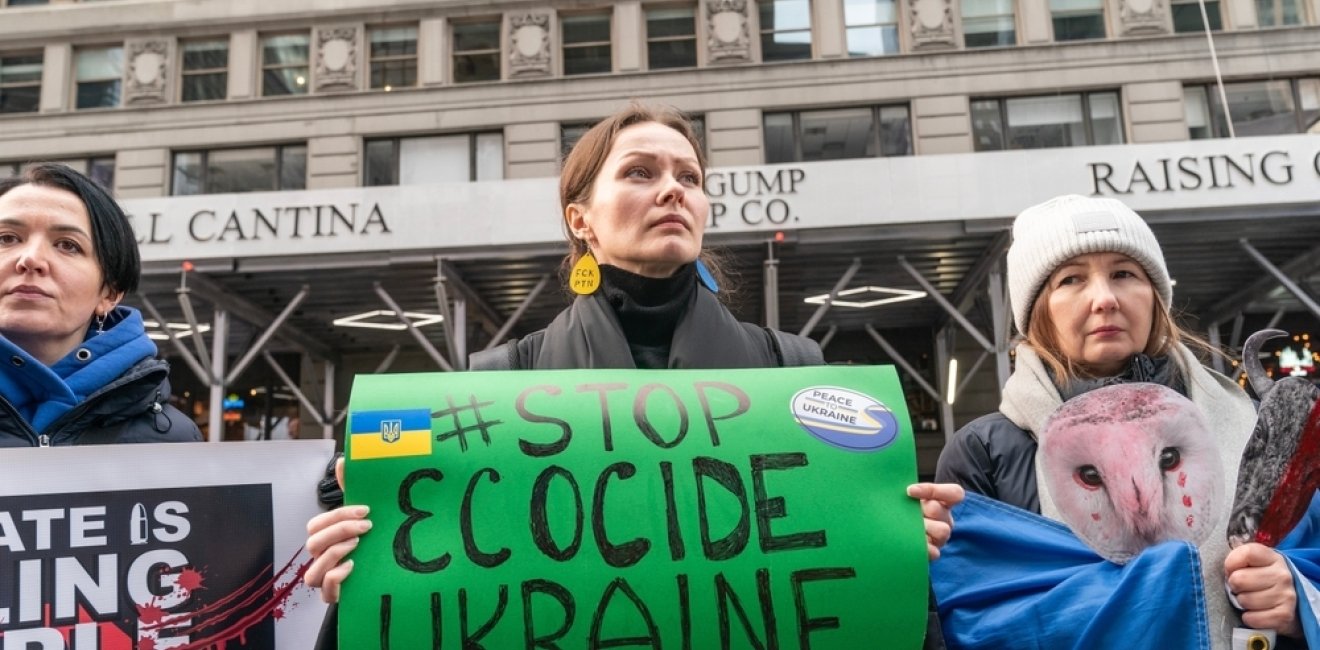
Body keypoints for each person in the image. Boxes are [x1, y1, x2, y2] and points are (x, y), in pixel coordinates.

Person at [305, 103, 964, 648]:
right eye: (640, 173)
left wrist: (893, 533)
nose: (674, 189)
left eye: (690, 177)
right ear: (580, 219)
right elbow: (388, 503)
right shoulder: (495, 383)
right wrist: (359, 544)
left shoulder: (796, 371)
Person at [932, 194, 1320, 648]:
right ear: (1038, 311)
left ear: (1155, 296)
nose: (1105, 299)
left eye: (1124, 274)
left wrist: (1300, 599)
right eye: (1071, 279)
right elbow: (963, 622)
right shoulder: (986, 452)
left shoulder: (1261, 428)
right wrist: (897, 555)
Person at [0, 163, 201, 447]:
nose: (30, 259)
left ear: (110, 293)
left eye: (68, 245)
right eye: (6, 238)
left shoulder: (171, 438)